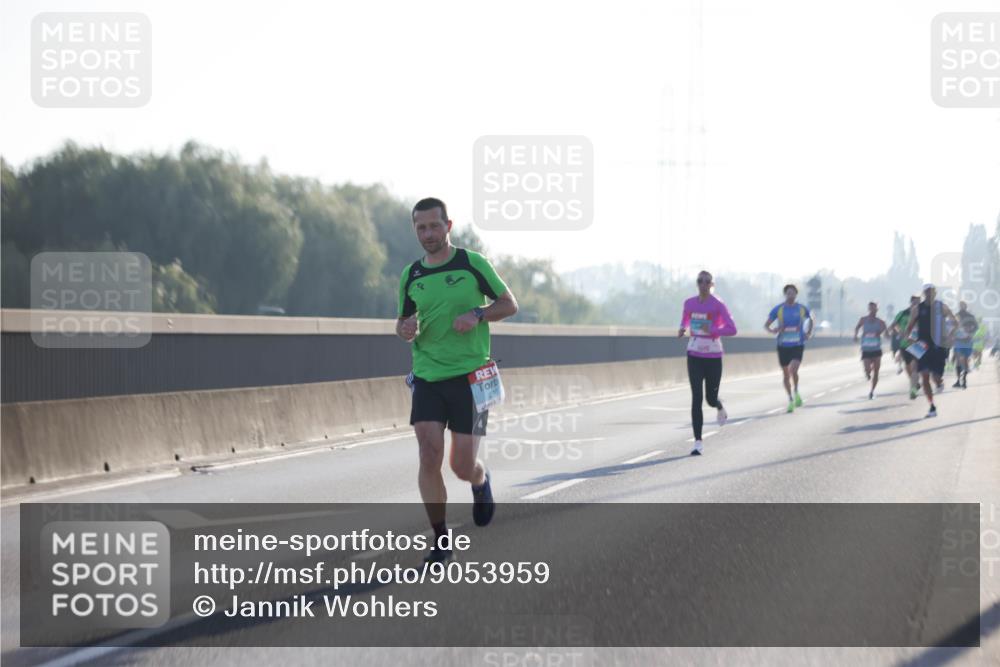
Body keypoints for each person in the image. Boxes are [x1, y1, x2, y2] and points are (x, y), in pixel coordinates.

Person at [396, 197, 518, 563]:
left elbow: (509, 303)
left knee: (461, 466)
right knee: (428, 454)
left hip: (470, 377)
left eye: (434, 226)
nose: (428, 234)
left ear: (448, 226)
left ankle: (480, 481)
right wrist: (405, 328)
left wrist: (477, 314)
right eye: (421, 228)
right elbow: (402, 323)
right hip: (428, 377)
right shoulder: (411, 275)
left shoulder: (471, 263)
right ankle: (440, 539)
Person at [678, 270, 738, 455]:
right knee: (696, 398)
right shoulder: (689, 303)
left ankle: (718, 406)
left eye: (707, 281)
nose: (703, 284)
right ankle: (698, 442)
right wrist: (682, 328)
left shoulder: (718, 304)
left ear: (712, 285)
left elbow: (732, 329)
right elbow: (685, 319)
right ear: (697, 284)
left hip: (713, 356)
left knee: (710, 399)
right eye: (700, 281)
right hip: (694, 354)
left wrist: (713, 330)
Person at [902, 284, 958, 418]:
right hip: (922, 346)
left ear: (935, 293)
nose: (929, 293)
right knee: (924, 376)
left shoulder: (941, 307)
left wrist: (950, 335)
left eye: (931, 291)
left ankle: (939, 382)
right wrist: (908, 337)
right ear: (924, 293)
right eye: (927, 291)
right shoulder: (917, 309)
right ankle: (932, 406)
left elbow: (955, 322)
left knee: (936, 377)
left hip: (939, 346)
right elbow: (909, 326)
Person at [765, 284, 814, 413]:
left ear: (796, 294)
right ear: (785, 294)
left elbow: (811, 319)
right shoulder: (779, 309)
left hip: (798, 344)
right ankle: (791, 399)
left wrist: (808, 332)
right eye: (788, 293)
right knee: (786, 374)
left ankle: (796, 390)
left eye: (792, 293)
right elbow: (767, 325)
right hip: (783, 345)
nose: (790, 295)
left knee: (793, 369)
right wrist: (774, 330)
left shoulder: (802, 308)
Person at [888, 295, 922, 400]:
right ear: (911, 302)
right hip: (904, 344)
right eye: (914, 302)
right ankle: (914, 383)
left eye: (918, 302)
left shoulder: (922, 314)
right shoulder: (902, 313)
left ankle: (913, 390)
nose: (916, 304)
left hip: (917, 344)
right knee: (908, 368)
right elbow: (893, 325)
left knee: (915, 367)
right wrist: (900, 331)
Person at [853, 302, 887, 399]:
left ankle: (872, 391)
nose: (872, 310)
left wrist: (882, 333)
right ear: (868, 309)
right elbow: (857, 327)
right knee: (868, 369)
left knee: (876, 371)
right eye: (871, 308)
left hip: (876, 349)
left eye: (874, 308)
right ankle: (867, 373)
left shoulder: (881, 322)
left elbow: (886, 332)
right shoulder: (863, 319)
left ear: (877, 309)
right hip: (866, 349)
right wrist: (855, 335)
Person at [951, 302, 978, 388]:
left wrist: (970, 333)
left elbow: (976, 327)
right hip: (959, 341)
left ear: (966, 306)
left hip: (967, 341)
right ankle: (959, 380)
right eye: (961, 305)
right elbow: (951, 326)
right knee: (959, 361)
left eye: (963, 305)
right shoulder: (956, 315)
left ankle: (964, 380)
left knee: (965, 360)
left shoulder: (970, 316)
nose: (962, 307)